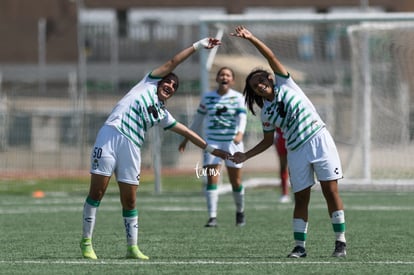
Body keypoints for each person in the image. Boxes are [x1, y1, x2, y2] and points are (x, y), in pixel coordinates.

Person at [80, 37, 228, 260]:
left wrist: (211, 150)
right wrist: (198, 46)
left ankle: (132, 248)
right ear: (159, 81)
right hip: (110, 136)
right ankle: (86, 242)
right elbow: (173, 61)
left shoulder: (162, 114)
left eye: (174, 86)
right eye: (168, 82)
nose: (170, 86)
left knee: (129, 200)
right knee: (97, 192)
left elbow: (187, 132)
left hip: (132, 148)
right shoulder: (147, 83)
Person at [230, 26, 347, 258]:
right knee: (301, 197)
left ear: (270, 78)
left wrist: (252, 38)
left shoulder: (286, 84)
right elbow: (266, 142)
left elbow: (270, 56)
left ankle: (340, 241)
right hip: (296, 151)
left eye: (262, 79)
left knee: (330, 191)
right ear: (254, 91)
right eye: (255, 84)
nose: (260, 83)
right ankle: (299, 246)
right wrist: (245, 155)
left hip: (319, 140)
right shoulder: (266, 113)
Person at [179, 67, 247, 227]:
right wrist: (187, 138)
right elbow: (197, 120)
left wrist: (240, 133)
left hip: (232, 143)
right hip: (212, 144)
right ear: (217, 79)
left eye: (228, 75)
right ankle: (212, 217)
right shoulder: (207, 98)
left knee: (235, 181)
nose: (224, 77)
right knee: (211, 178)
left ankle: (240, 212)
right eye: (221, 74)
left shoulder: (237, 97)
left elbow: (242, 117)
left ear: (232, 80)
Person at [275, 128, 291, 203]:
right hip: (281, 137)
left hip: (293, 135)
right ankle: (285, 193)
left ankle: (298, 192)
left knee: (295, 167)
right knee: (283, 167)